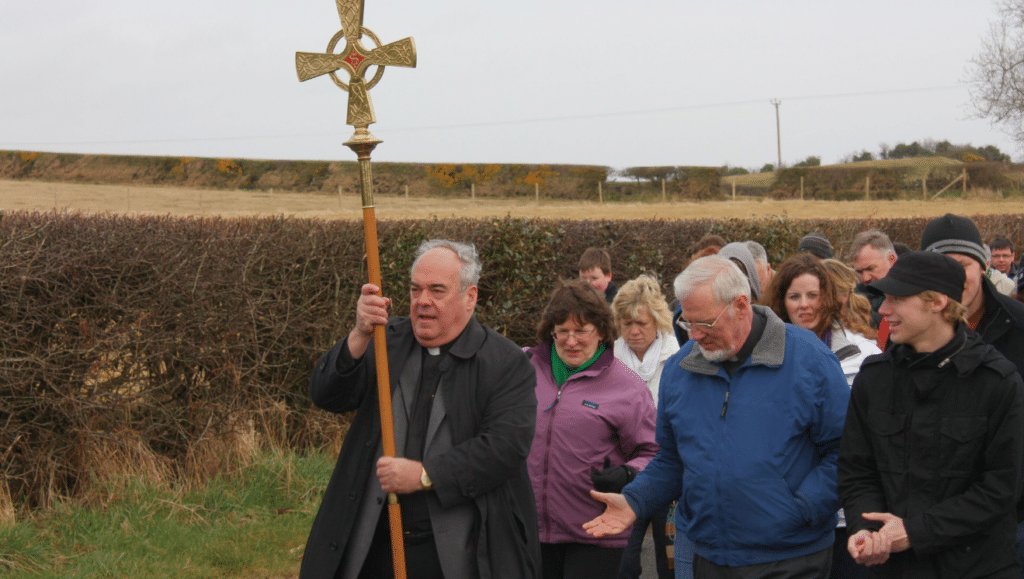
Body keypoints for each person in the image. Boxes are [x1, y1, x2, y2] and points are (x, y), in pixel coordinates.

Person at [584, 255, 851, 578]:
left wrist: (803, 508)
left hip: (791, 556)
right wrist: (635, 500)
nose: (695, 335)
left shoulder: (809, 360)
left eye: (705, 323)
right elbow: (672, 460)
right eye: (687, 323)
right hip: (710, 555)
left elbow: (845, 451)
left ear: (741, 306)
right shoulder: (680, 369)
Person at [300, 239, 542, 579]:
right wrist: (359, 334)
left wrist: (426, 474)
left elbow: (505, 447)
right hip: (371, 546)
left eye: (437, 291)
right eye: (415, 290)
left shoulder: (506, 363)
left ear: (470, 297)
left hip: (460, 554)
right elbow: (327, 396)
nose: (422, 301)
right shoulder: (385, 341)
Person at [838, 251, 1024, 578]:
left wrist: (915, 532)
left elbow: (1001, 489)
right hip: (893, 569)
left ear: (937, 302)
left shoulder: (997, 382)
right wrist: (866, 529)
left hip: (979, 568)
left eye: (896, 299)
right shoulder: (875, 378)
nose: (883, 309)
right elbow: (857, 470)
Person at [525, 279, 658, 579]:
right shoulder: (524, 369)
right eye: (562, 331)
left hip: (597, 532)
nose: (571, 341)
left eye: (581, 331)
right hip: (530, 532)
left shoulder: (628, 387)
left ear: (601, 331)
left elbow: (654, 452)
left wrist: (629, 473)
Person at [610, 276, 681, 579]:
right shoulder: (607, 361)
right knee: (623, 565)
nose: (634, 331)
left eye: (641, 323)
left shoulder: (680, 358)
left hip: (669, 475)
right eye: (627, 324)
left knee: (671, 564)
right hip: (626, 476)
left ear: (658, 321)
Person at [764, 253, 880, 385]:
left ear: (827, 298)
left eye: (812, 295)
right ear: (781, 303)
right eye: (794, 297)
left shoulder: (865, 354)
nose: (804, 304)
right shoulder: (763, 355)